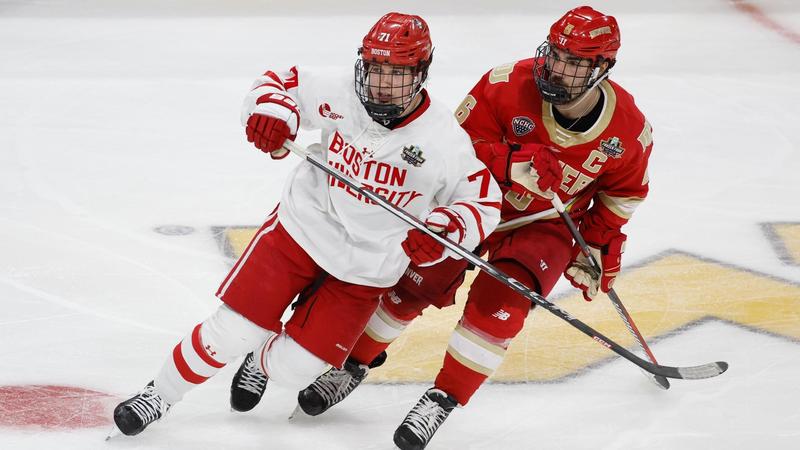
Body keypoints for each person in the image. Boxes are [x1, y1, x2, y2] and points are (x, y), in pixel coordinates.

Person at [253, 6, 655, 450]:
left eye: (574, 62)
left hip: (544, 224)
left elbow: (623, 194)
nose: (557, 69)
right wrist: (509, 161)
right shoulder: (504, 85)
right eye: (555, 54)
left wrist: (599, 243)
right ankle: (353, 364)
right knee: (410, 285)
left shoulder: (630, 130)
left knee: (502, 302)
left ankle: (444, 397)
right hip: (467, 205)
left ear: (604, 67)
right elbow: (449, 151)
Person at [110, 12, 501, 437]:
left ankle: (261, 356)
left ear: (421, 73)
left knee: (293, 370)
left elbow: (481, 201)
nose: (381, 82)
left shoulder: (442, 139)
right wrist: (273, 114)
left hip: (366, 267)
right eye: (375, 68)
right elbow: (277, 84)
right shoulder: (339, 92)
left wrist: (446, 229)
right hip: (302, 228)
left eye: (396, 72)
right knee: (229, 332)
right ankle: (159, 395)